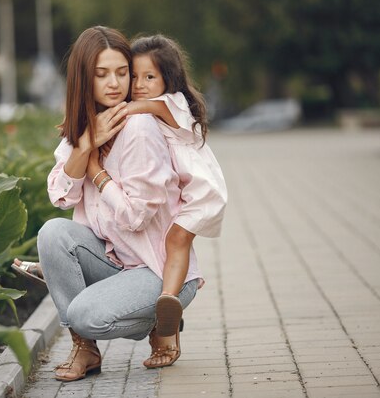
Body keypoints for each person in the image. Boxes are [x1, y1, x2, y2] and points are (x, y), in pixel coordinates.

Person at [24, 25, 203, 382]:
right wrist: (86, 146)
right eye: (102, 74)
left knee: (85, 314)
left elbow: (136, 216)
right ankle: (85, 350)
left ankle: (160, 318)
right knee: (53, 234)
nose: (114, 83)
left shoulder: (139, 128)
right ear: (83, 79)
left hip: (158, 272)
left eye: (123, 72)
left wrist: (96, 173)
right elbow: (61, 195)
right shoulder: (88, 126)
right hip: (114, 261)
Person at [117, 34, 228, 345]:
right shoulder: (155, 106)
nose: (138, 84)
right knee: (171, 242)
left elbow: (132, 109)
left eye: (149, 77)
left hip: (202, 192)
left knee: (176, 239)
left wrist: (89, 117)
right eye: (134, 76)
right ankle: (170, 307)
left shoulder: (170, 103)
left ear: (169, 79)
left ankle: (168, 298)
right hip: (188, 192)